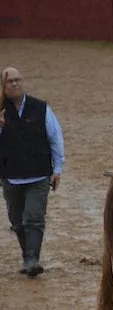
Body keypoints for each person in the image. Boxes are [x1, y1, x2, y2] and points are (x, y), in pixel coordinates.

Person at [0, 66, 65, 277]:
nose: (15, 84)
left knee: (34, 218)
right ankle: (27, 255)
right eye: (10, 81)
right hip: (10, 176)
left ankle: (31, 260)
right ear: (3, 86)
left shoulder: (41, 108)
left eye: (18, 79)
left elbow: (55, 138)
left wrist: (57, 169)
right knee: (17, 221)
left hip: (39, 175)